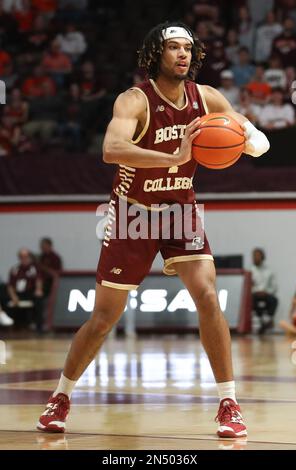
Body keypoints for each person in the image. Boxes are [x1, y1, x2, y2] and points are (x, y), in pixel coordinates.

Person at [37, 21, 270, 438]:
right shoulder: (135, 100)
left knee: (208, 296)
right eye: (173, 48)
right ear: (154, 55)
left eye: (188, 48)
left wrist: (243, 137)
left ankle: (228, 403)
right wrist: (176, 154)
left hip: (180, 209)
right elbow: (112, 149)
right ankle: (62, 396)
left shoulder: (207, 98)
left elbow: (256, 141)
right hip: (134, 214)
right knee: (104, 318)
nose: (182, 54)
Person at [7, 248, 44, 331]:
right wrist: (13, 296)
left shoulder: (34, 268)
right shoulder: (15, 269)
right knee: (5, 299)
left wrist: (39, 289)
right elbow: (10, 285)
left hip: (30, 293)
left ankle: (39, 327)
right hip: (18, 293)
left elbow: (39, 280)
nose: (24, 259)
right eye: (22, 257)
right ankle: (11, 326)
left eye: (26, 256)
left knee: (39, 299)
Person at [251, 248, 278, 334]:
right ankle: (260, 321)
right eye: (254, 256)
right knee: (250, 300)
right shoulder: (250, 271)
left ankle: (266, 320)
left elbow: (274, 287)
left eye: (257, 256)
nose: (255, 258)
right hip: (254, 294)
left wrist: (266, 292)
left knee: (274, 300)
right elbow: (248, 286)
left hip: (266, 294)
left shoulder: (269, 271)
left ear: (262, 257)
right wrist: (256, 291)